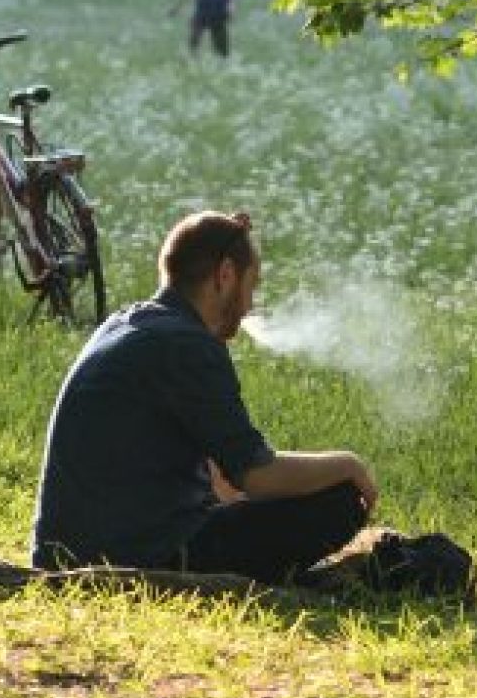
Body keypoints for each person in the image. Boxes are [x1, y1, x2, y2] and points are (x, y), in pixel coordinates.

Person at [32, 209, 377, 579]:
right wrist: (349, 465)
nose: (250, 306)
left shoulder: (126, 323)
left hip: (64, 550)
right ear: (225, 275)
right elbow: (255, 474)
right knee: (340, 499)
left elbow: (218, 471)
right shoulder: (187, 345)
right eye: (251, 287)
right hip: (139, 554)